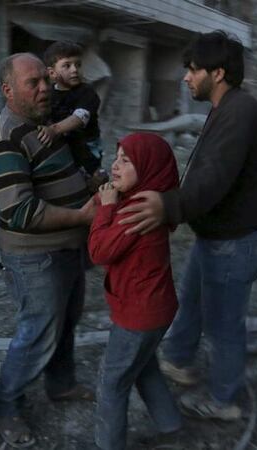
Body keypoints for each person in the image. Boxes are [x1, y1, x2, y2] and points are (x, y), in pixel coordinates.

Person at [117, 30, 257, 420]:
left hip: (236, 242)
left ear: (217, 73)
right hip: (218, 236)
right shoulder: (226, 109)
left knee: (223, 327)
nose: (186, 77)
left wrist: (168, 207)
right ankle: (179, 361)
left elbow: (214, 179)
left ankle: (224, 401)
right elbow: (206, 174)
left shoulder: (240, 111)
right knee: (190, 303)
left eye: (192, 70)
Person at [0, 52, 96, 448]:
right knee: (36, 333)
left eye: (46, 78)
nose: (45, 87)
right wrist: (83, 216)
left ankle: (60, 384)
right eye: (34, 83)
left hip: (67, 247)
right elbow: (23, 212)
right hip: (35, 257)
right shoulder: (1, 139)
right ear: (8, 91)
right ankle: (5, 406)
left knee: (66, 320)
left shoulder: (42, 124)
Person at [89, 133, 183, 450]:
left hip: (138, 316)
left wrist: (105, 209)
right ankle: (171, 425)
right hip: (156, 310)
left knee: (112, 381)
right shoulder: (145, 201)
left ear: (149, 168)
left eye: (126, 160)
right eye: (116, 157)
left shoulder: (135, 211)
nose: (115, 166)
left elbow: (100, 251)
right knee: (144, 367)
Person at [40, 41, 108, 191]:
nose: (74, 70)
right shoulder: (49, 93)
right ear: (52, 73)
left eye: (78, 65)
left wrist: (54, 130)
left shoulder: (86, 92)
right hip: (64, 144)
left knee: (94, 181)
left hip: (86, 147)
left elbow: (80, 117)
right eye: (67, 65)